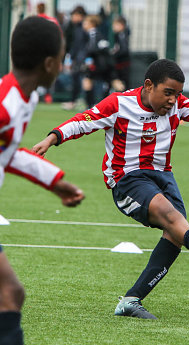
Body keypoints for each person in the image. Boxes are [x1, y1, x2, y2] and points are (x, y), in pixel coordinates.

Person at [32, 59, 189, 320]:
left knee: (175, 234)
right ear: (149, 85)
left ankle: (131, 300)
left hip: (163, 178)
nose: (173, 100)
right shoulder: (119, 103)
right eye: (168, 93)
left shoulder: (177, 105)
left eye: (177, 94)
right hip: (127, 179)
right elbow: (83, 121)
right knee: (173, 220)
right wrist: (51, 138)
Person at [0, 16, 85, 344]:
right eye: (63, 59)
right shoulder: (6, 106)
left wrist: (54, 182)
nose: (64, 66)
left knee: (10, 294)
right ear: (49, 63)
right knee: (9, 293)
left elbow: (9, 153)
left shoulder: (25, 97)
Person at [82, 15, 113, 109]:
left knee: (98, 83)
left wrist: (89, 58)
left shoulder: (96, 35)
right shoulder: (90, 35)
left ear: (92, 24)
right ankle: (91, 106)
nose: (84, 25)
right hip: (94, 64)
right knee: (88, 82)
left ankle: (94, 106)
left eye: (86, 23)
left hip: (98, 65)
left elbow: (98, 49)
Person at [62, 6, 88, 111]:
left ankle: (87, 103)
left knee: (85, 80)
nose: (73, 18)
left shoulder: (84, 28)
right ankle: (74, 101)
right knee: (76, 80)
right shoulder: (74, 27)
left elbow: (80, 45)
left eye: (75, 15)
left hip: (83, 58)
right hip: (77, 58)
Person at [111, 16, 130, 92]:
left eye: (115, 25)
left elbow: (124, 50)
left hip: (122, 64)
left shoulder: (121, 35)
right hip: (121, 63)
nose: (113, 27)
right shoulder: (118, 35)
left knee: (121, 82)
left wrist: (114, 55)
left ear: (121, 25)